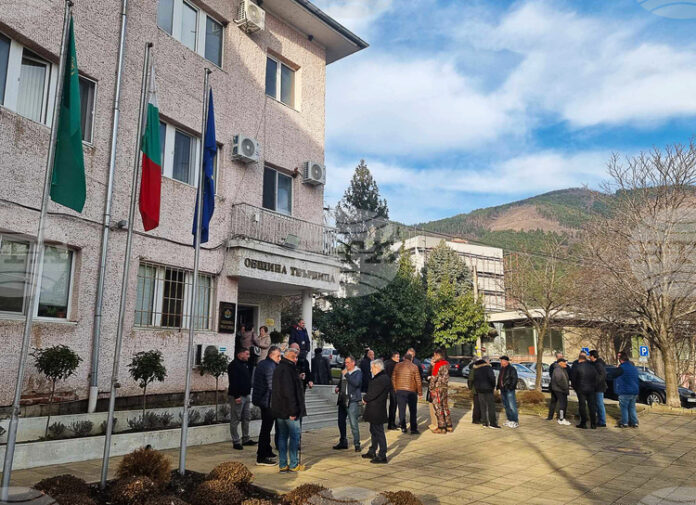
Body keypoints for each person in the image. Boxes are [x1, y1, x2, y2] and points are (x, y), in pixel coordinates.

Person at [271, 347, 306, 472]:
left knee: (282, 437)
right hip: (289, 411)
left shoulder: (279, 368)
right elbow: (289, 392)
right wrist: (293, 411)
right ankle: (293, 464)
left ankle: (282, 464)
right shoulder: (288, 369)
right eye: (294, 357)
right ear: (288, 357)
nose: (296, 359)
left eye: (296, 357)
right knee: (294, 436)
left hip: (280, 410)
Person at [252, 345, 281, 466]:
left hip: (264, 400)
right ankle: (261, 457)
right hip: (268, 401)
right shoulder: (270, 366)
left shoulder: (263, 363)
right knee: (266, 429)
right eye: (278, 356)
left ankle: (267, 450)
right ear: (271, 355)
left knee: (266, 428)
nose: (280, 358)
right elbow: (272, 385)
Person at [227, 348, 257, 450]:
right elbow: (233, 381)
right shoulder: (234, 365)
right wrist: (236, 396)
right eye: (247, 354)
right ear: (240, 354)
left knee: (246, 417)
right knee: (235, 419)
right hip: (237, 396)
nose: (248, 356)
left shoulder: (245, 364)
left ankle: (246, 438)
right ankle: (236, 441)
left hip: (246, 395)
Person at [362, 359, 390, 464]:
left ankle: (382, 455)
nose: (371, 370)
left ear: (377, 367)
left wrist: (365, 398)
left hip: (377, 409)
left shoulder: (381, 379)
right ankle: (372, 450)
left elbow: (373, 393)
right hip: (375, 408)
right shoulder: (381, 377)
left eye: (372, 368)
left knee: (379, 432)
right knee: (373, 430)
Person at [333, 356, 363, 451]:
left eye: (348, 362)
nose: (346, 364)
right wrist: (338, 387)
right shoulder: (344, 372)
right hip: (342, 399)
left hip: (352, 400)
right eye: (345, 362)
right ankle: (343, 441)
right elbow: (342, 382)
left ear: (353, 363)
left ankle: (357, 444)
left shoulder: (357, 372)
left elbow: (356, 383)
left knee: (353, 423)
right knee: (341, 422)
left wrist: (347, 375)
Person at [392, 352, 422, 434]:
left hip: (400, 390)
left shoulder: (397, 365)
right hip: (411, 391)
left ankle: (403, 427)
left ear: (404, 358)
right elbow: (418, 381)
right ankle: (413, 429)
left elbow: (393, 378)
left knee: (401, 410)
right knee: (413, 411)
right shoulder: (414, 367)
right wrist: (420, 393)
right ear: (411, 359)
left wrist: (395, 389)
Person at [609, 352, 640, 428]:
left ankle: (624, 422)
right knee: (632, 407)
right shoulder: (633, 368)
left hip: (625, 391)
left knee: (624, 408)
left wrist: (617, 368)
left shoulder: (621, 368)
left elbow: (612, 375)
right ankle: (634, 422)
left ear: (620, 360)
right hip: (634, 391)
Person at [571, 353, 598, 429]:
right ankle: (593, 424)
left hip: (581, 389)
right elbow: (596, 378)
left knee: (582, 405)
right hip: (591, 389)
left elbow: (573, 378)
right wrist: (594, 386)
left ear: (579, 359)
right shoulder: (592, 367)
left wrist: (575, 388)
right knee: (591, 406)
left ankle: (583, 423)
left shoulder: (577, 367)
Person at [429, 348, 453, 433]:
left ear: (437, 355)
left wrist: (431, 388)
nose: (434, 357)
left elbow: (434, 378)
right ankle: (449, 425)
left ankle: (441, 427)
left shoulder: (438, 365)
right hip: (444, 387)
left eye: (434, 355)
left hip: (437, 389)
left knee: (438, 408)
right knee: (445, 406)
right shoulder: (446, 363)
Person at [473, 356, 500, 429]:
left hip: (479, 390)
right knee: (491, 406)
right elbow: (492, 378)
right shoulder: (488, 368)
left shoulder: (476, 369)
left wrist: (477, 388)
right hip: (488, 389)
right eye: (489, 360)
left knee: (482, 407)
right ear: (486, 361)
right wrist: (493, 386)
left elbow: (474, 380)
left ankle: (484, 423)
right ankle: (492, 423)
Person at [497, 356, 519, 428]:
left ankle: (515, 421)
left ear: (506, 361)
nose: (501, 362)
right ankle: (509, 419)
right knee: (506, 405)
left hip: (509, 389)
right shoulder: (501, 369)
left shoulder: (511, 369)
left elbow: (514, 379)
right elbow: (500, 378)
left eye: (502, 361)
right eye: (500, 361)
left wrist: (511, 387)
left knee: (512, 405)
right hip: (502, 389)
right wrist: (498, 386)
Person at [548, 358, 571, 425]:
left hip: (558, 389)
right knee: (562, 404)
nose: (566, 364)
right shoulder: (558, 370)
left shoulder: (561, 369)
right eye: (564, 362)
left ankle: (551, 417)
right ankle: (561, 419)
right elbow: (559, 380)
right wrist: (564, 387)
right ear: (560, 363)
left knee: (556, 402)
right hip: (559, 390)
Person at [589, 350, 607, 428]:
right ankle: (599, 420)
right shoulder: (594, 364)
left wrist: (594, 382)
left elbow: (602, 376)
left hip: (599, 387)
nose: (589, 357)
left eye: (590, 355)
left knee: (600, 404)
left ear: (593, 356)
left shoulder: (598, 364)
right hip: (596, 387)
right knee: (597, 404)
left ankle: (602, 421)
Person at [384, 351, 400, 430]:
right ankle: (391, 424)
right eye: (397, 357)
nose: (398, 358)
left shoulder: (387, 363)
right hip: (393, 387)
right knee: (393, 405)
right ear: (393, 357)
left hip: (389, 386)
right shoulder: (393, 365)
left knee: (392, 405)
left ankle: (391, 423)